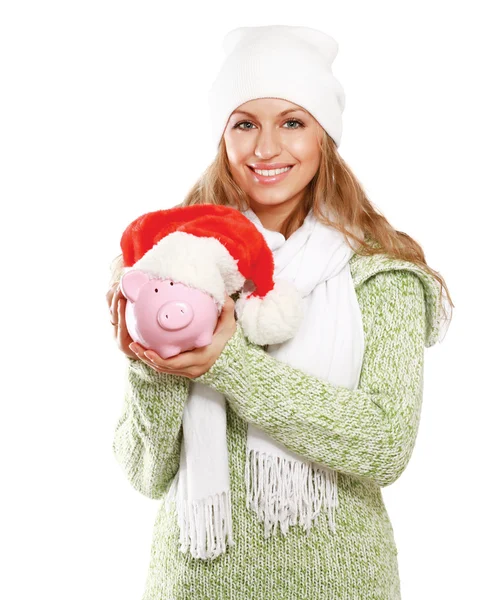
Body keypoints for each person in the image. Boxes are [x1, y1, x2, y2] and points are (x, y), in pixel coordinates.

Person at [106, 25, 453, 600]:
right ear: (224, 136)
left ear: (325, 138)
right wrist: (151, 360)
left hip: (340, 584)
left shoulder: (381, 274)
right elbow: (144, 472)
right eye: (245, 124)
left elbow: (386, 445)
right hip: (193, 584)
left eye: (292, 122)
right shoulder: (170, 264)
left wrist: (227, 364)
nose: (265, 149)